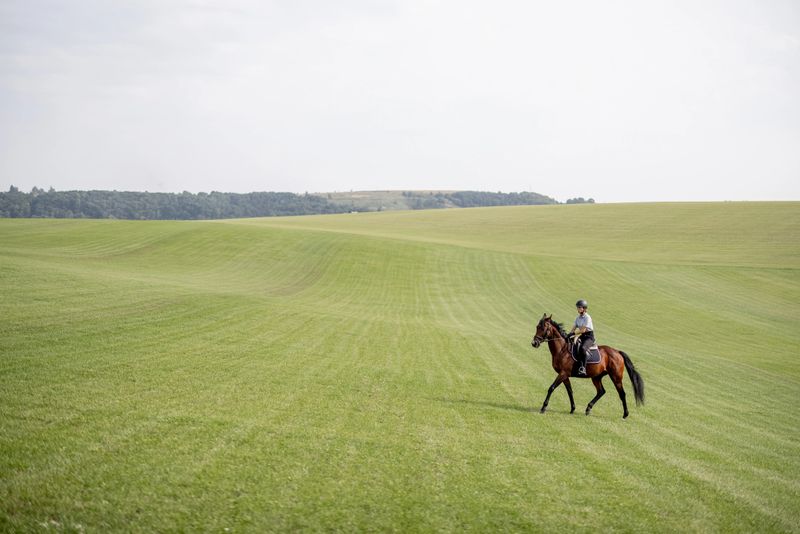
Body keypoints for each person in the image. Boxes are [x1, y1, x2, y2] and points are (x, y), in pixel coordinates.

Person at [569, 299, 595, 375]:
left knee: (583, 348)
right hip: (582, 336)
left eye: (579, 307)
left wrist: (573, 333)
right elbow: (574, 327)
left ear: (584, 308)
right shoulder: (578, 318)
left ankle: (583, 367)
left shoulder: (587, 317)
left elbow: (583, 330)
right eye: (578, 307)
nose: (578, 309)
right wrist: (569, 334)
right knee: (572, 344)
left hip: (589, 337)